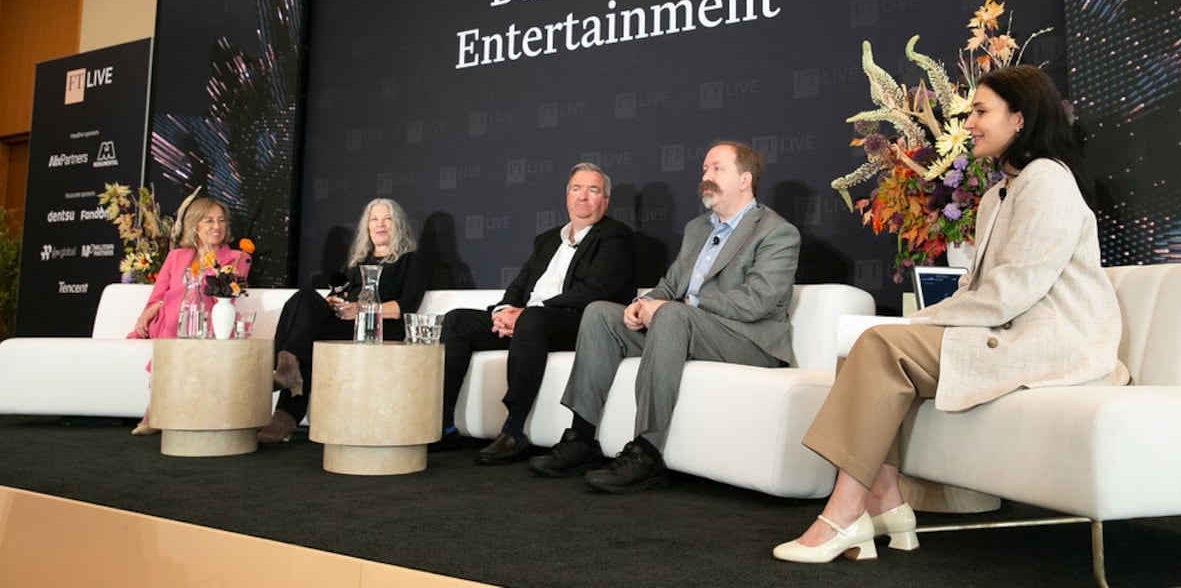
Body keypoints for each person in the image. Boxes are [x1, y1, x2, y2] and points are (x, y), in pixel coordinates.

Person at [772, 65, 1130, 564]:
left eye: (981, 112)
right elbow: (978, 288)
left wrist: (916, 324)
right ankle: (886, 502)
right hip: (1006, 331)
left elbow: (1011, 291)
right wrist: (925, 321)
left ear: (1020, 119)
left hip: (1050, 344)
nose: (970, 124)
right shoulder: (994, 196)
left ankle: (845, 512)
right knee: (862, 343)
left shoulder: (1048, 181)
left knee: (879, 342)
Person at [529, 141, 801, 492]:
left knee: (673, 315)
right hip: (691, 326)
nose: (706, 177)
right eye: (704, 169)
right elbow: (670, 285)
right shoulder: (698, 229)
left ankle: (646, 451)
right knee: (599, 314)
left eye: (717, 169)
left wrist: (682, 306)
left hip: (750, 339)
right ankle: (581, 438)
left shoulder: (776, 232)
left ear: (744, 179)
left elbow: (757, 301)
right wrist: (643, 305)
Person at [439, 162, 637, 464]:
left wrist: (529, 313)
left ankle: (514, 430)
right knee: (458, 320)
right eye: (576, 188)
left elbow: (596, 290)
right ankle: (443, 425)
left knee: (532, 319)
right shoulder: (547, 240)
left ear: (605, 201)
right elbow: (520, 285)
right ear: (566, 195)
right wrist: (504, 312)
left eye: (593, 190)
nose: (583, 196)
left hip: (576, 323)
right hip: (531, 323)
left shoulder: (615, 237)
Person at [259, 198, 424, 443]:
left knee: (305, 337)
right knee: (305, 299)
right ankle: (288, 366)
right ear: (367, 227)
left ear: (397, 224)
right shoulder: (356, 262)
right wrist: (335, 303)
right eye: (374, 220)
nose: (380, 225)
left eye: (387, 219)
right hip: (347, 323)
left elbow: (407, 306)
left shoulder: (410, 260)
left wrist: (363, 310)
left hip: (381, 329)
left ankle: (286, 409)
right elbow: (340, 293)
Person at [128, 195, 253, 435]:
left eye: (221, 221)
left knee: (185, 308)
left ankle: (156, 408)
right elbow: (157, 296)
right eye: (209, 221)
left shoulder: (237, 257)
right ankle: (160, 406)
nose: (217, 227)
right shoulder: (176, 257)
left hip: (212, 320)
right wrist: (153, 308)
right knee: (177, 311)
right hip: (171, 319)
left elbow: (229, 295)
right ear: (195, 225)